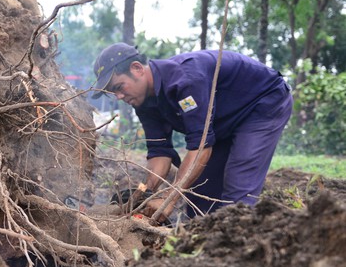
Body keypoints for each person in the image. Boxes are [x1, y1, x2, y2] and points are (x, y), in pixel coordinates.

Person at [91, 43, 293, 224]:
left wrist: (169, 198)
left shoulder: (184, 79)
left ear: (137, 69)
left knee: (237, 188)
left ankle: (233, 248)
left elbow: (201, 148)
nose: (118, 96)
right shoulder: (143, 102)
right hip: (222, 122)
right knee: (199, 192)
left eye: (118, 87)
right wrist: (142, 193)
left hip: (261, 103)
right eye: (112, 93)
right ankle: (200, 250)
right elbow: (160, 153)